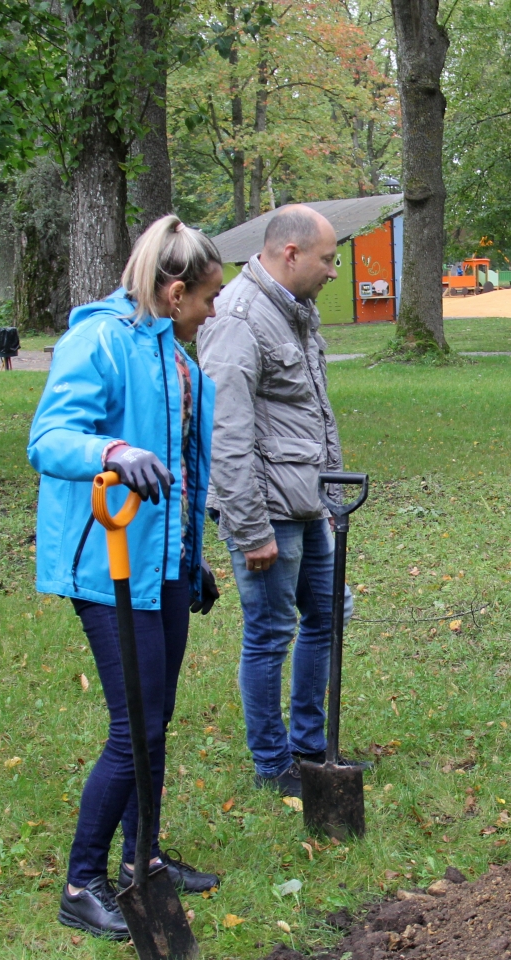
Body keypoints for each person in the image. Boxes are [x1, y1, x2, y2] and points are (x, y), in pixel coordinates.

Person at [27, 215, 226, 939]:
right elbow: (49, 437)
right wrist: (112, 446)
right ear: (174, 292)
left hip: (163, 561)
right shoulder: (101, 338)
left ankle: (142, 859)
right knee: (134, 726)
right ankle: (83, 881)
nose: (212, 311)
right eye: (206, 297)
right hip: (106, 564)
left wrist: (192, 554)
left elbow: (187, 467)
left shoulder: (178, 357)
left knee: (157, 715)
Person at [199, 204, 361, 799]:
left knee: (327, 614)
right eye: (327, 259)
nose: (335, 271)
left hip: (307, 502)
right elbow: (227, 433)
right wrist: (249, 529)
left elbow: (304, 414)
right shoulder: (240, 317)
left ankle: (311, 748)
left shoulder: (294, 312)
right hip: (265, 512)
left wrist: (326, 492)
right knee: (270, 633)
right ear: (289, 253)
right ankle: (274, 764)